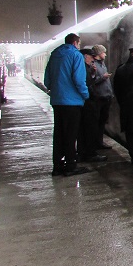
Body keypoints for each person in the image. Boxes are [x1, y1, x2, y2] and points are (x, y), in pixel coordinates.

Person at [43, 33, 89, 176]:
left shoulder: (55, 55)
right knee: (71, 134)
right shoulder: (76, 55)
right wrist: (85, 95)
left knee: (59, 133)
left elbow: (47, 80)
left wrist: (56, 90)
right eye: (79, 44)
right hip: (72, 102)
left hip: (57, 101)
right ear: (75, 43)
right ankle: (71, 165)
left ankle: (57, 165)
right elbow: (79, 79)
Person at [77, 48, 106, 163]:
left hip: (87, 101)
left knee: (88, 128)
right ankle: (89, 153)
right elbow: (85, 84)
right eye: (91, 57)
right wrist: (89, 96)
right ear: (85, 56)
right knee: (89, 128)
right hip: (88, 101)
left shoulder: (87, 67)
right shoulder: (83, 67)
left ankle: (86, 152)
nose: (92, 59)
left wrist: (93, 74)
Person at [91, 44, 113, 149]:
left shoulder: (102, 64)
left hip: (106, 96)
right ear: (99, 53)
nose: (105, 54)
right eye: (104, 52)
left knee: (102, 121)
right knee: (97, 122)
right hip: (99, 97)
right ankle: (96, 143)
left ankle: (99, 142)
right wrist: (102, 78)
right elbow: (92, 80)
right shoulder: (93, 65)